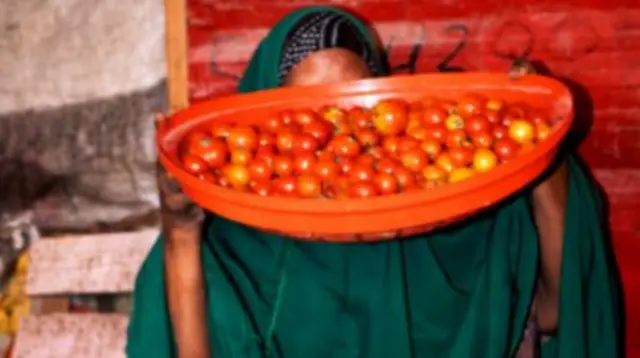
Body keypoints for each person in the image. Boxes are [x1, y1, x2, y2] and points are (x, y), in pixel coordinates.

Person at [126, 6, 621, 358]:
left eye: (346, 114)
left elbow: (555, 312)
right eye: (303, 118)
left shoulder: (451, 231)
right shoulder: (225, 251)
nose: (326, 141)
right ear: (263, 117)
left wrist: (538, 143)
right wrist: (182, 238)